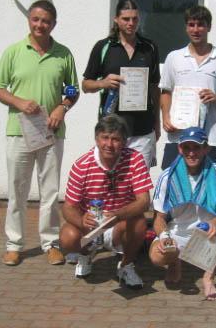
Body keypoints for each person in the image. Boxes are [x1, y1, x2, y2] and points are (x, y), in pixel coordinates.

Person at [0, 0, 79, 266]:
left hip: (51, 132)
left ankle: (50, 244)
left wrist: (62, 107)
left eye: (46, 21)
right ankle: (14, 245)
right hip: (19, 132)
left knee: (50, 192)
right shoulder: (14, 52)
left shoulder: (64, 54)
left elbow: (73, 90)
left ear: (54, 24)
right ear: (29, 20)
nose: (40, 25)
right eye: (36, 19)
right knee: (17, 190)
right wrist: (18, 102)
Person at [60, 114, 153, 289]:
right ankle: (85, 254)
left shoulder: (135, 160)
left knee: (139, 223)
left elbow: (144, 201)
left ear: (124, 142)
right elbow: (68, 208)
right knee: (67, 237)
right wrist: (81, 221)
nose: (109, 144)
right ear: (96, 139)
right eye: (105, 138)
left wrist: (117, 215)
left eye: (116, 139)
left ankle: (126, 265)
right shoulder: (81, 165)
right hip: (90, 225)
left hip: (119, 223)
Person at [149, 126, 216, 300]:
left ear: (206, 149)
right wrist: (165, 237)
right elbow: (158, 218)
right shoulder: (167, 176)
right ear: (179, 149)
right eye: (186, 147)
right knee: (157, 257)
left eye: (196, 147)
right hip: (176, 235)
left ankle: (208, 277)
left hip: (205, 236)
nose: (191, 153)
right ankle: (174, 262)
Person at [81, 0, 160, 168]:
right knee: (111, 179)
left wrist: (157, 123)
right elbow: (86, 85)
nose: (131, 23)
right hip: (111, 131)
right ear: (116, 19)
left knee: (140, 180)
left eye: (135, 19)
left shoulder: (150, 47)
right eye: (126, 19)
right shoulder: (103, 47)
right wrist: (103, 83)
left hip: (143, 130)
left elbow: (154, 87)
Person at [159, 5, 216, 170]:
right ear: (186, 27)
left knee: (212, 184)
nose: (196, 30)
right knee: (173, 183)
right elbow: (166, 91)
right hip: (178, 136)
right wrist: (165, 117)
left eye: (201, 25)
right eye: (191, 25)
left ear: (209, 27)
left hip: (211, 138)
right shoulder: (174, 57)